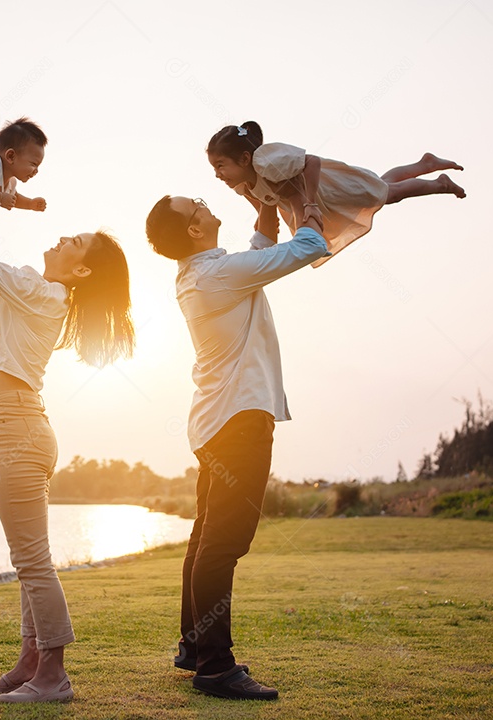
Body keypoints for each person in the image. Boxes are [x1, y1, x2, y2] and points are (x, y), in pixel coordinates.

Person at [0, 161, 135, 703]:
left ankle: (54, 675)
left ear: (82, 272)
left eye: (75, 241)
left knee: (32, 562)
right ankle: (29, 663)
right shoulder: (38, 291)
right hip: (17, 426)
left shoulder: (41, 292)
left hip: (19, 428)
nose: (62, 236)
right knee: (28, 560)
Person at [145, 194, 328, 701]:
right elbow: (307, 247)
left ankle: (193, 646)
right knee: (224, 544)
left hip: (216, 423)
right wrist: (304, 206)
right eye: (196, 205)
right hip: (238, 421)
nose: (205, 203)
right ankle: (215, 669)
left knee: (206, 539)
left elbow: (260, 250)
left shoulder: (204, 271)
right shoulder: (217, 275)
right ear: (196, 230)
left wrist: (266, 209)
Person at [206, 121, 464, 266]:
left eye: (220, 165)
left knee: (388, 193)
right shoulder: (242, 185)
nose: (218, 174)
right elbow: (264, 204)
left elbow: (312, 162)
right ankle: (424, 164)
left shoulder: (266, 162)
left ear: (244, 158)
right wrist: (265, 222)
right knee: (381, 185)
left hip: (327, 186)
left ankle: (439, 183)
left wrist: (309, 203)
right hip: (315, 199)